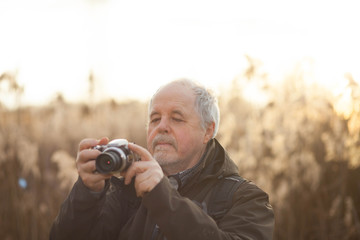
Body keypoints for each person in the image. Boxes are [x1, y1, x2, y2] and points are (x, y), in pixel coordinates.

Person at [50, 78, 274, 240]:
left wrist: (162, 196)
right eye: (155, 119)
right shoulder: (123, 190)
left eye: (177, 119)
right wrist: (88, 192)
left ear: (208, 131)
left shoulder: (245, 198)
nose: (162, 127)